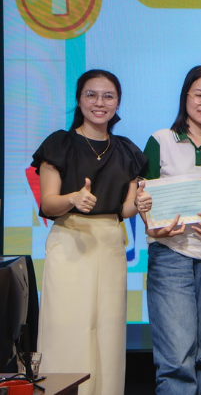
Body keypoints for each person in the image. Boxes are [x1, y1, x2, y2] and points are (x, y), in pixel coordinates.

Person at [32, 70, 147, 395]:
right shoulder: (60, 144)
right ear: (79, 100)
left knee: (107, 331)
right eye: (91, 95)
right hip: (70, 239)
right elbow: (48, 203)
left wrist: (140, 204)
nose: (100, 102)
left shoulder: (127, 150)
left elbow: (124, 209)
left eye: (108, 96)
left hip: (110, 242)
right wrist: (72, 198)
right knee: (67, 327)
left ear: (118, 103)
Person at [134, 66, 201, 394]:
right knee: (177, 360)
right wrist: (152, 226)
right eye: (199, 95)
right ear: (185, 96)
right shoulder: (161, 139)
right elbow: (141, 195)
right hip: (171, 253)